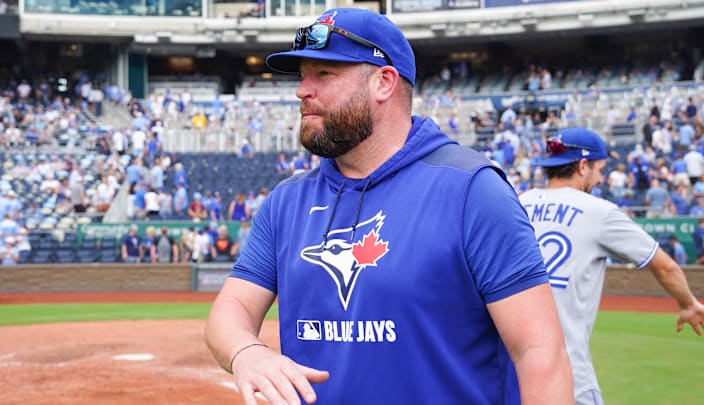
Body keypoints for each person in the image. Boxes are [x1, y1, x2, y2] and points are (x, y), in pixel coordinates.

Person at [205, 8, 573, 405]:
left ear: (384, 82)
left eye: (324, 74)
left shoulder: (471, 190)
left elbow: (540, 353)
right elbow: (232, 308)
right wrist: (247, 353)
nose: (302, 90)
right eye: (302, 75)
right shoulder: (287, 201)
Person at [518, 127, 704, 405]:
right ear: (583, 166)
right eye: (600, 170)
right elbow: (665, 267)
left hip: (515, 374)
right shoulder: (599, 211)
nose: (601, 177)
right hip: (568, 375)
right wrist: (688, 303)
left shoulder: (518, 203)